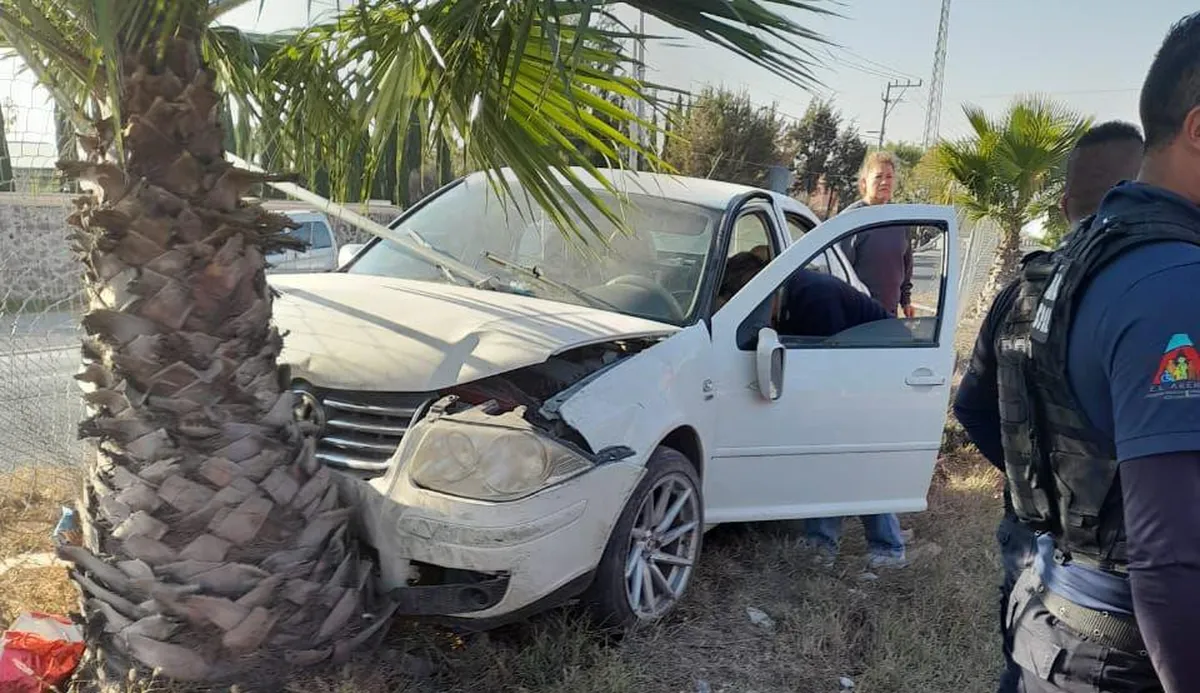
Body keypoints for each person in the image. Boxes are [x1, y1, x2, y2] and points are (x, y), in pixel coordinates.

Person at [990, 13, 1200, 691]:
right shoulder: (1176, 284)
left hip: (1055, 623)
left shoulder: (1084, 252)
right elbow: (1167, 559)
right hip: (1124, 656)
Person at [953, 120, 1144, 693]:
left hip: (1029, 529)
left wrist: (1029, 479)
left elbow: (974, 407)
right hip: (1111, 573)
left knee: (1025, 663)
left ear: (1064, 205)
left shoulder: (1023, 291)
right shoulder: (1150, 290)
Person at [716, 250, 908, 568]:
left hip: (883, 374)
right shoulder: (792, 294)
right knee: (835, 458)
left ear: (764, 293)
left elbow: (827, 364)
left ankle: (879, 548)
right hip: (858, 372)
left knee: (848, 458)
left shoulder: (815, 297)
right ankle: (830, 543)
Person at [838, 150, 916, 319]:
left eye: (889, 177)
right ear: (864, 182)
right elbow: (838, 271)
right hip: (856, 315)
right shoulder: (850, 219)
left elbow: (906, 264)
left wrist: (906, 301)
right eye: (879, 176)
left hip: (889, 316)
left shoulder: (900, 220)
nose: (884, 182)